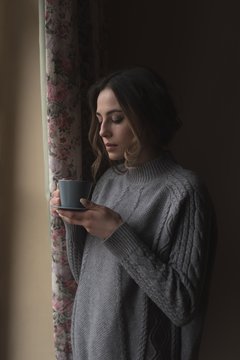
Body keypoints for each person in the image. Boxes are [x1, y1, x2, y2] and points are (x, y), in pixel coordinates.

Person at [50, 67, 216, 360]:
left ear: (147, 118)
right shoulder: (109, 181)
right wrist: (74, 223)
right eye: (100, 119)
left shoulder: (184, 192)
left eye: (116, 119)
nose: (102, 131)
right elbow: (87, 275)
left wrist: (117, 232)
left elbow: (180, 305)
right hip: (90, 348)